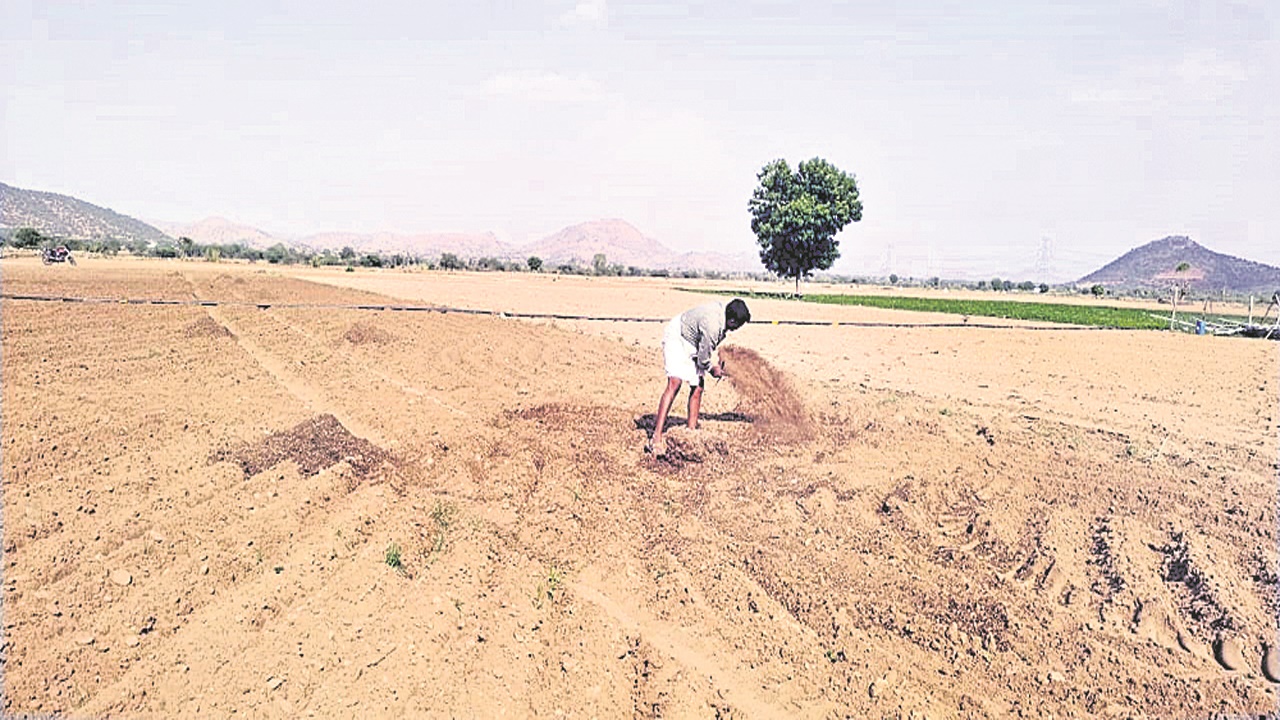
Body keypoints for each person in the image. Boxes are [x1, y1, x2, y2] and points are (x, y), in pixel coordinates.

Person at [646, 298, 751, 455]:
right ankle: (656, 437)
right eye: (738, 325)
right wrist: (712, 369)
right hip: (678, 336)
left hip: (693, 341)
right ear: (732, 320)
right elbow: (703, 360)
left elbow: (704, 348)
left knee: (698, 387)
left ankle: (691, 432)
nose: (737, 329)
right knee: (675, 383)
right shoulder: (713, 326)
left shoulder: (722, 314)